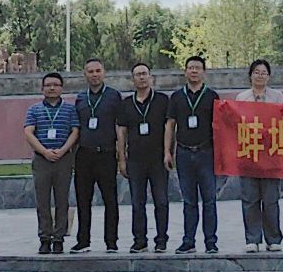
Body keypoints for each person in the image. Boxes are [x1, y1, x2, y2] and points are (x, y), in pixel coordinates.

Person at [71, 58, 125, 253]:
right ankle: (83, 241)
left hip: (106, 154)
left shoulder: (114, 96)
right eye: (90, 71)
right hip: (84, 155)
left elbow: (120, 127)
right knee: (83, 200)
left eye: (98, 71)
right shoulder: (80, 98)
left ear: (104, 72)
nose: (94, 75)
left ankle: (111, 242)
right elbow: (76, 128)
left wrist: (121, 156)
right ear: (85, 74)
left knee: (110, 200)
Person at [167, 53, 220, 254]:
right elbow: (170, 125)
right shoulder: (177, 97)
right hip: (183, 153)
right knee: (189, 201)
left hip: (206, 152)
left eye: (198, 68)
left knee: (209, 200)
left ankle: (210, 241)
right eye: (191, 68)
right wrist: (167, 151)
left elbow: (220, 126)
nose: (194, 71)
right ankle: (188, 241)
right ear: (185, 72)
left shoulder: (212, 96)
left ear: (204, 72)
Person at [23, 72, 78, 254]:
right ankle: (45, 238)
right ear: (42, 88)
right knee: (43, 201)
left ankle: (59, 238)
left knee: (62, 200)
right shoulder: (34, 110)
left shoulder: (70, 110)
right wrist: (44, 151)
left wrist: (62, 150)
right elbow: (29, 132)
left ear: (61, 88)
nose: (52, 88)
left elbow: (75, 131)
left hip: (64, 159)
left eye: (55, 85)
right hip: (42, 160)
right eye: (48, 85)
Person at [234, 58, 283, 253]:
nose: (260, 76)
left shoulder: (277, 97)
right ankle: (252, 239)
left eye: (264, 73)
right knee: (250, 199)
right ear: (250, 75)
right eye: (257, 72)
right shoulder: (241, 97)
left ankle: (273, 239)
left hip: (271, 154)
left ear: (269, 76)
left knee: (271, 200)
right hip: (249, 154)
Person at [121, 61, 170, 252]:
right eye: (138, 74)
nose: (141, 77)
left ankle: (161, 239)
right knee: (137, 202)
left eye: (144, 74)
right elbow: (121, 131)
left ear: (151, 77)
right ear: (132, 79)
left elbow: (169, 127)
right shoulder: (126, 103)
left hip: (158, 158)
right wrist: (122, 158)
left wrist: (168, 152)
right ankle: (140, 240)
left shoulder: (162, 100)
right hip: (135, 159)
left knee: (161, 201)